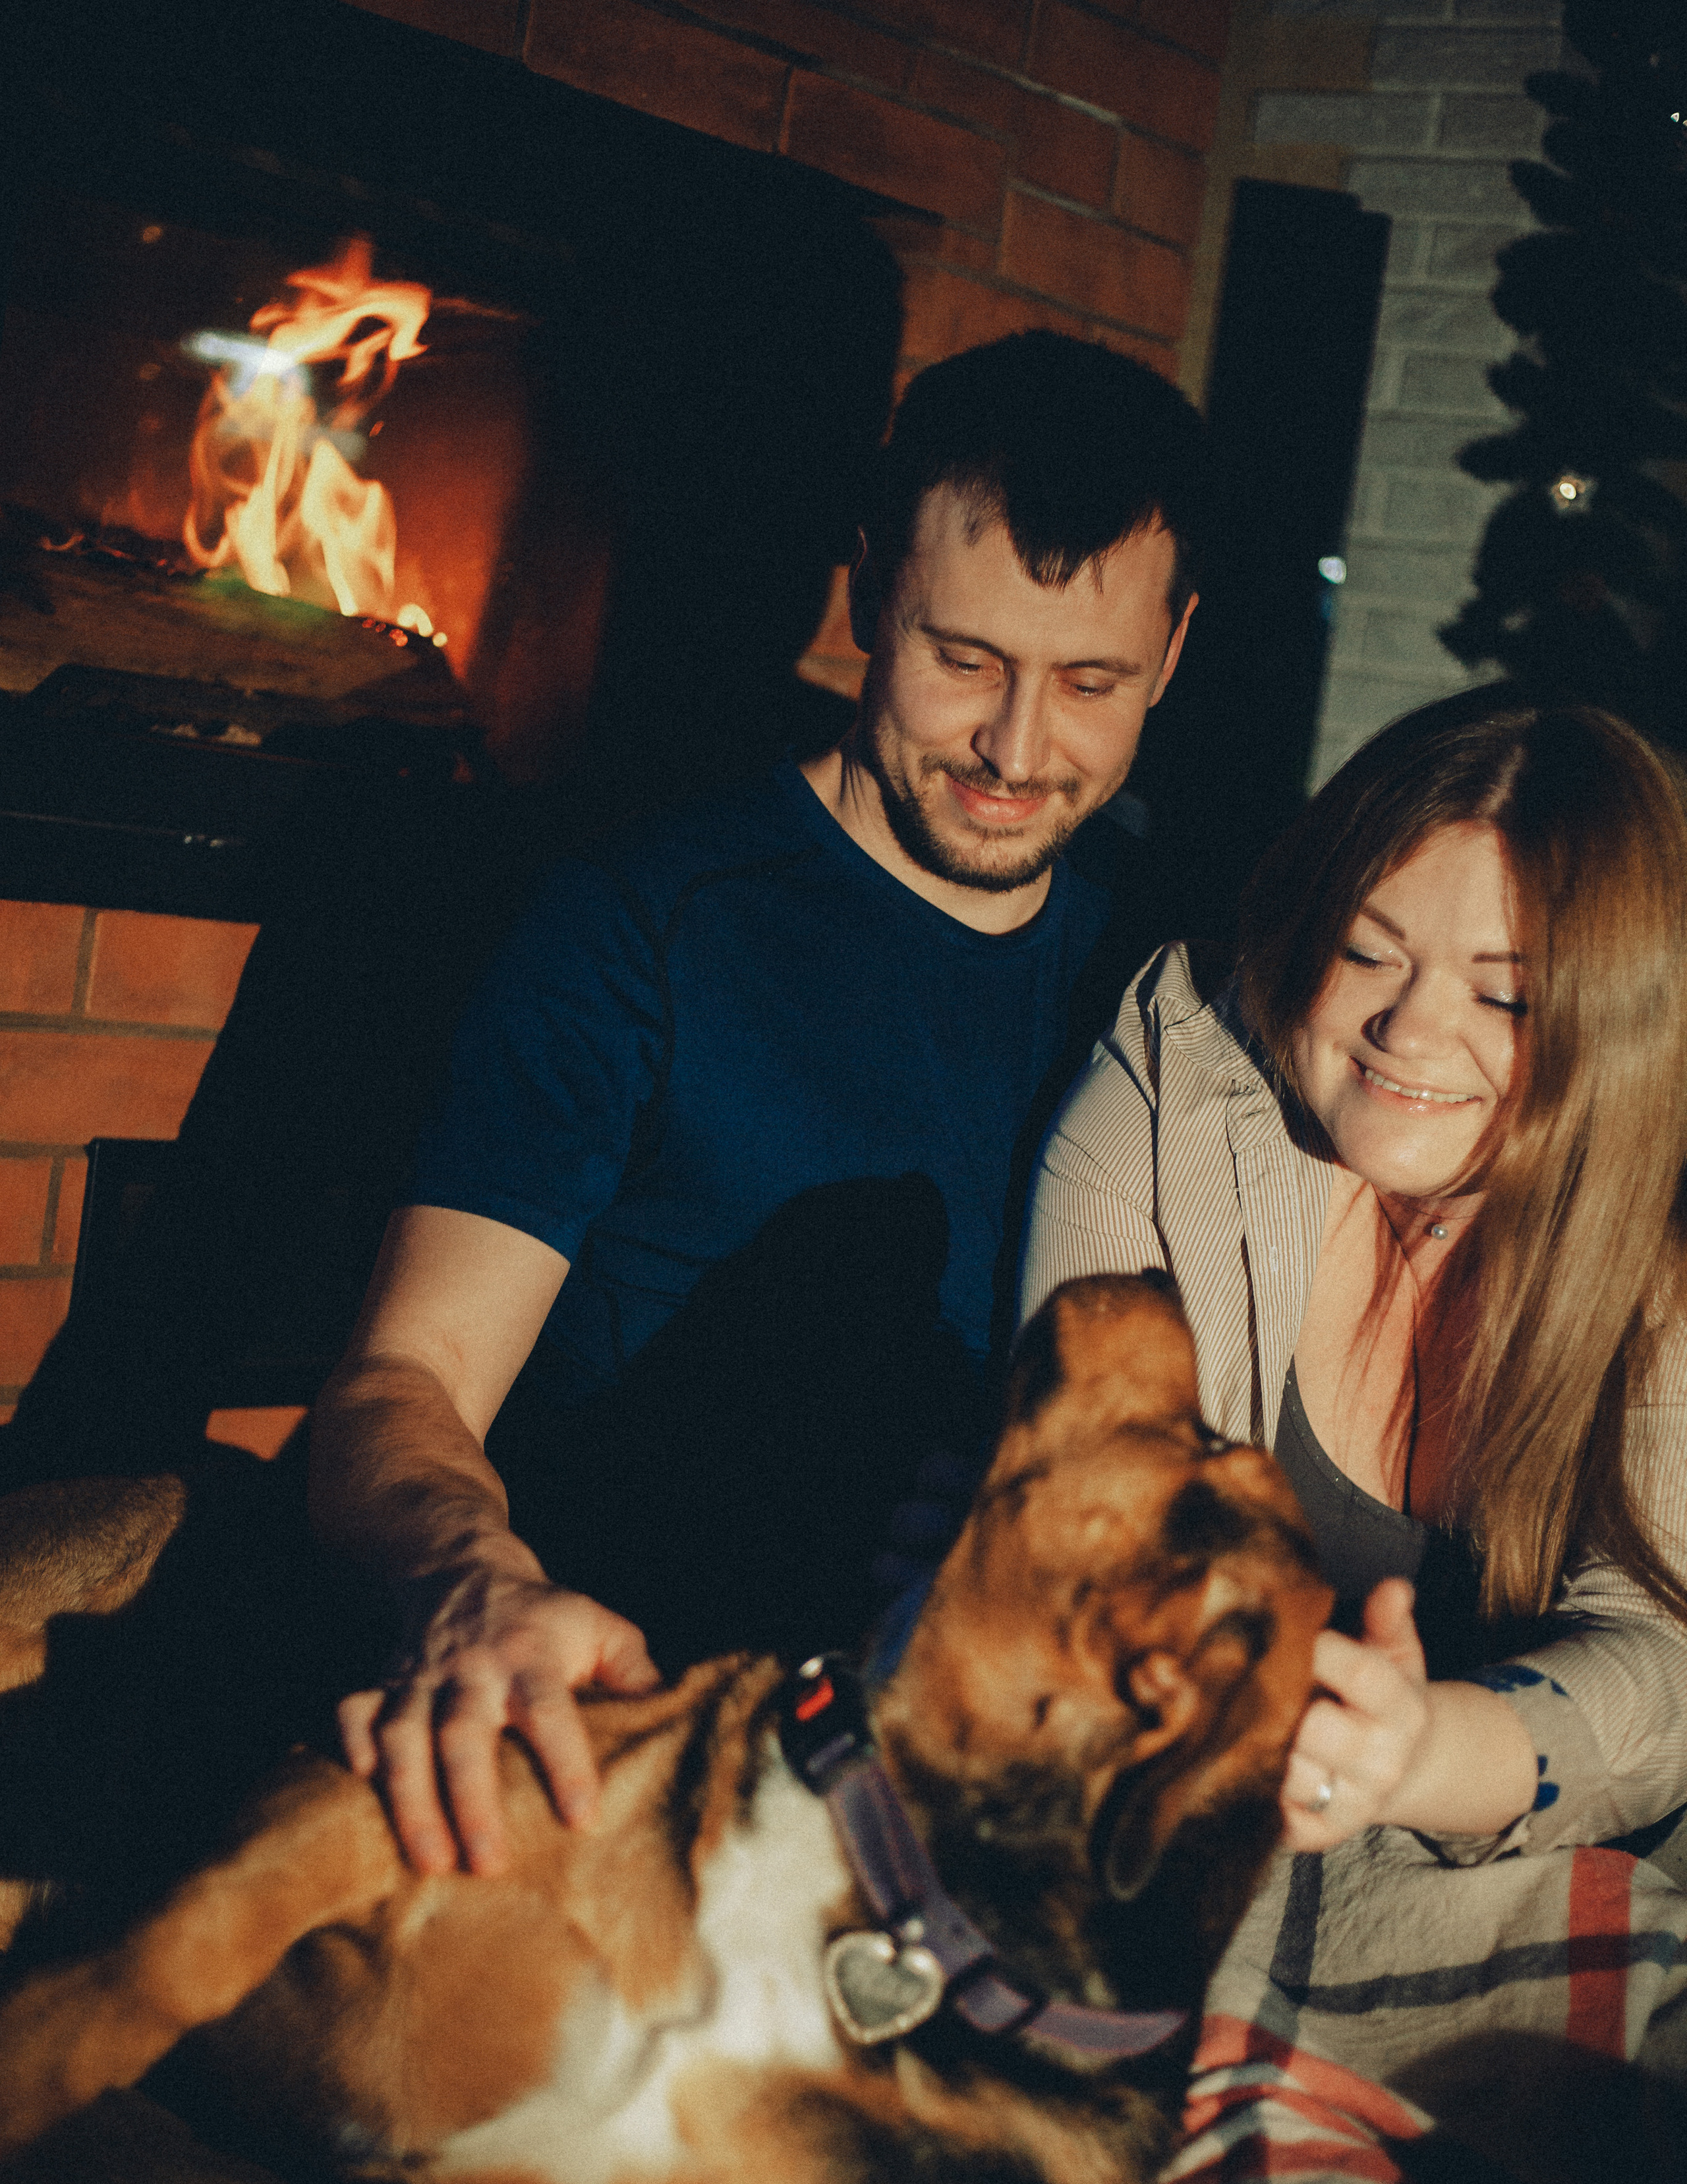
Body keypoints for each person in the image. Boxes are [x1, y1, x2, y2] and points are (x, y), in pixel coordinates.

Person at [308, 329, 1206, 1877]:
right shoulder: (641, 922)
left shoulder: (1171, 967)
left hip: (962, 1759)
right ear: (863, 594)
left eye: (1089, 684)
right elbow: (406, 1376)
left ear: (1173, 657)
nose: (1012, 748)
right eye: (963, 659)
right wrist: (473, 1581)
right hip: (630, 1704)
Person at [1023, 696, 1687, 1859]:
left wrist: (1421, 1752)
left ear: (1622, 1026)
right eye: (1368, 950)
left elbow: (1666, 1657)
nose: (1410, 1029)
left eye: (1506, 995)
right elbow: (1075, 1525)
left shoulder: (1659, 1247)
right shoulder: (1175, 1091)